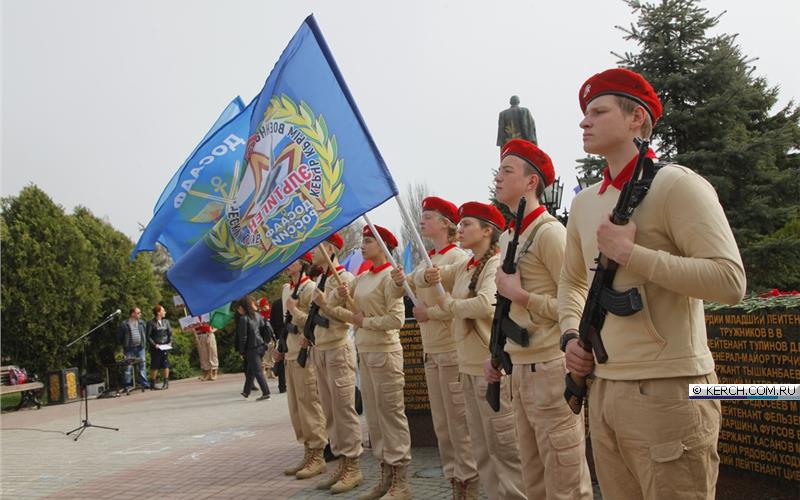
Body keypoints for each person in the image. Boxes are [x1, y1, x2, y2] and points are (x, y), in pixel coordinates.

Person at [560, 68, 746, 500]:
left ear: (636, 119)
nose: (584, 122)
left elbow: (729, 280)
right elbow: (571, 281)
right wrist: (570, 335)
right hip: (603, 387)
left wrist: (632, 255)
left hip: (670, 389)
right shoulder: (586, 203)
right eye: (584, 114)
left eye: (598, 111)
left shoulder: (676, 186)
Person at [485, 138, 592, 499]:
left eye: (507, 170)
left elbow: (575, 301)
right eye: (499, 170)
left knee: (565, 481)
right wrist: (497, 355)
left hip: (549, 368)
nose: (498, 177)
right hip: (519, 367)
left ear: (532, 182)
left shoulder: (549, 233)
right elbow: (505, 311)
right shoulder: (509, 237)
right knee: (534, 480)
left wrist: (522, 295)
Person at [414, 202, 526, 500]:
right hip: (468, 366)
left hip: (488, 367)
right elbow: (435, 273)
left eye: (466, 225)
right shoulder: (468, 265)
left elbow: (485, 303)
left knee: (505, 450)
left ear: (488, 231)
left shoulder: (494, 264)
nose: (459, 230)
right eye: (459, 224)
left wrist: (448, 306)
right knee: (483, 449)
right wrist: (425, 277)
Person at [389, 197, 480, 498]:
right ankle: (455, 481)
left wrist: (432, 314)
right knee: (443, 426)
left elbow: (459, 305)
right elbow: (414, 281)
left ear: (446, 223)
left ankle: (469, 484)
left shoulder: (456, 258)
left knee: (459, 424)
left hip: (452, 349)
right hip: (432, 352)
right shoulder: (427, 260)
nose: (422, 221)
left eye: (428, 217)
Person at [337, 225, 411, 500]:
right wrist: (336, 296)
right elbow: (343, 309)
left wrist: (365, 321)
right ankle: (386, 476)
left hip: (385, 353)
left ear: (382, 246)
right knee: (376, 420)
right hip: (366, 353)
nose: (362, 246)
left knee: (391, 417)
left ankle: (401, 482)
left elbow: (397, 320)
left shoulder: (390, 278)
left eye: (368, 241)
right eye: (363, 241)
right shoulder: (363, 277)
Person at [306, 233, 364, 494]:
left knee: (343, 409)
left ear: (329, 249)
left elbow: (349, 316)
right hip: (321, 348)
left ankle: (353, 464)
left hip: (338, 348)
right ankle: (340, 461)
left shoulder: (346, 279)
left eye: (317, 249)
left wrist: (325, 302)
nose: (313, 255)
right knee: (329, 411)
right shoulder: (322, 278)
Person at [278, 252, 329, 481]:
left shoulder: (309, 288)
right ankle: (307, 451)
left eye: (293, 259)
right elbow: (284, 322)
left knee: (309, 403)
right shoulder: (286, 289)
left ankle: (318, 454)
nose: (288, 263)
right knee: (296, 408)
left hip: (304, 353)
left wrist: (295, 310)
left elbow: (310, 323)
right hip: (289, 352)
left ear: (304, 263)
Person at [235, 295, 271, 400]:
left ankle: (266, 392)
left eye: (239, 308)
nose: (238, 310)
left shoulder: (243, 319)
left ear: (243, 307)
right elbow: (263, 330)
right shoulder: (258, 315)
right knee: (251, 369)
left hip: (251, 348)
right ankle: (246, 391)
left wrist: (241, 351)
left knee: (258, 371)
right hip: (260, 346)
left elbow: (243, 337)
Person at [117, 307, 151, 391]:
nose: (140, 314)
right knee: (128, 367)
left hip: (140, 347)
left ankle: (144, 383)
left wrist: (144, 343)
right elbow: (119, 337)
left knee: (142, 365)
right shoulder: (124, 324)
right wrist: (123, 346)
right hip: (129, 349)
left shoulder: (142, 323)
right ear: (132, 314)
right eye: (138, 313)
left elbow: (145, 334)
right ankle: (127, 385)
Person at [146, 305, 172, 390]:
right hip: (156, 348)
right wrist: (154, 344)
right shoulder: (151, 323)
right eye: (163, 311)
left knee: (166, 364)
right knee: (155, 365)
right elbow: (148, 336)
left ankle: (166, 382)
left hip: (165, 346)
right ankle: (152, 384)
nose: (165, 312)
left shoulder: (166, 322)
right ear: (158, 312)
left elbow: (170, 334)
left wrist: (170, 342)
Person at [268, 298, 287, 393]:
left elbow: (272, 322)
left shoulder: (276, 303)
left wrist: (275, 336)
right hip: (291, 334)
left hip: (280, 335)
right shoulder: (291, 300)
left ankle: (282, 385)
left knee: (280, 360)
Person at [259, 298, 278, 380]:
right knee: (265, 356)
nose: (265, 307)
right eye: (263, 306)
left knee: (272, 355)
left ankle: (271, 372)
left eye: (266, 305)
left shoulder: (271, 312)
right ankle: (265, 371)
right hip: (264, 338)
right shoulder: (260, 315)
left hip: (272, 337)